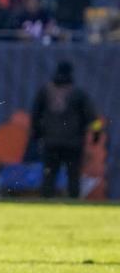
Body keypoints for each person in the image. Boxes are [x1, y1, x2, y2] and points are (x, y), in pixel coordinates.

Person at [31, 61, 99, 198]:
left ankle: (45, 204)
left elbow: (35, 115)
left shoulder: (45, 91)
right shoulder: (78, 93)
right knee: (73, 175)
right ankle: (73, 203)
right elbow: (91, 116)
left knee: (49, 174)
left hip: (50, 142)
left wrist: (38, 134)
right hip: (73, 142)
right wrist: (96, 133)